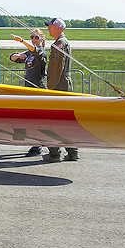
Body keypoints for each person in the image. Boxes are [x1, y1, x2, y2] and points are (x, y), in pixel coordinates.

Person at [42, 18, 78, 162]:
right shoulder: (62, 42)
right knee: (65, 120)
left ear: (58, 27)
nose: (48, 29)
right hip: (64, 84)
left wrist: (50, 86)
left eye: (50, 26)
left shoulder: (59, 44)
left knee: (53, 120)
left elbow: (57, 67)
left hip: (58, 85)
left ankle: (54, 153)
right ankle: (72, 151)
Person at [11, 29, 48, 156]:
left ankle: (38, 145)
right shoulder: (30, 52)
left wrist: (22, 41)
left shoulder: (41, 52)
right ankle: (35, 143)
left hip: (38, 88)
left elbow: (33, 50)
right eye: (31, 37)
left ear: (42, 39)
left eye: (36, 37)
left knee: (38, 118)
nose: (33, 39)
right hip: (28, 89)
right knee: (30, 117)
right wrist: (18, 55)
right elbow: (13, 58)